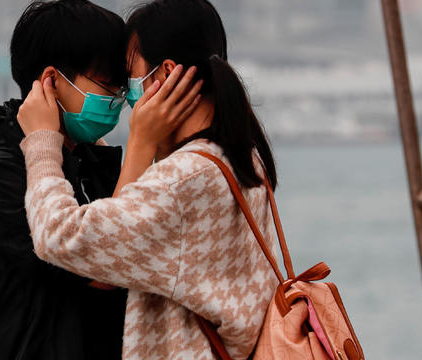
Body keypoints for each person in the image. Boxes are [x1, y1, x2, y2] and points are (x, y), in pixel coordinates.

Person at [17, 0, 279, 358]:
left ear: (166, 73)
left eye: (131, 74)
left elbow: (59, 235)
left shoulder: (182, 181)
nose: (127, 92)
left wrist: (42, 142)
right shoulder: (240, 157)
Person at [0, 1, 129, 358]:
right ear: (52, 81)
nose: (116, 99)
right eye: (105, 83)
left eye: (121, 88)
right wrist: (147, 140)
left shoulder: (92, 158)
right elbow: (104, 265)